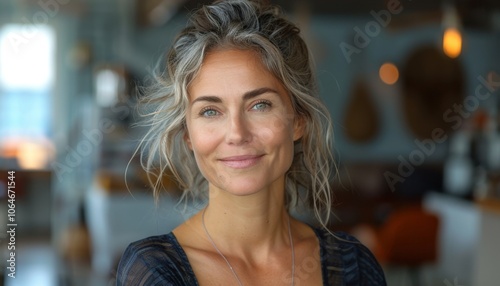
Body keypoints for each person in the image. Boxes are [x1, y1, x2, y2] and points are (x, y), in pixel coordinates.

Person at [116, 0, 386, 285]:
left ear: (298, 121)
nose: (236, 133)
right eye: (210, 111)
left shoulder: (352, 265)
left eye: (259, 105)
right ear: (188, 134)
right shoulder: (154, 271)